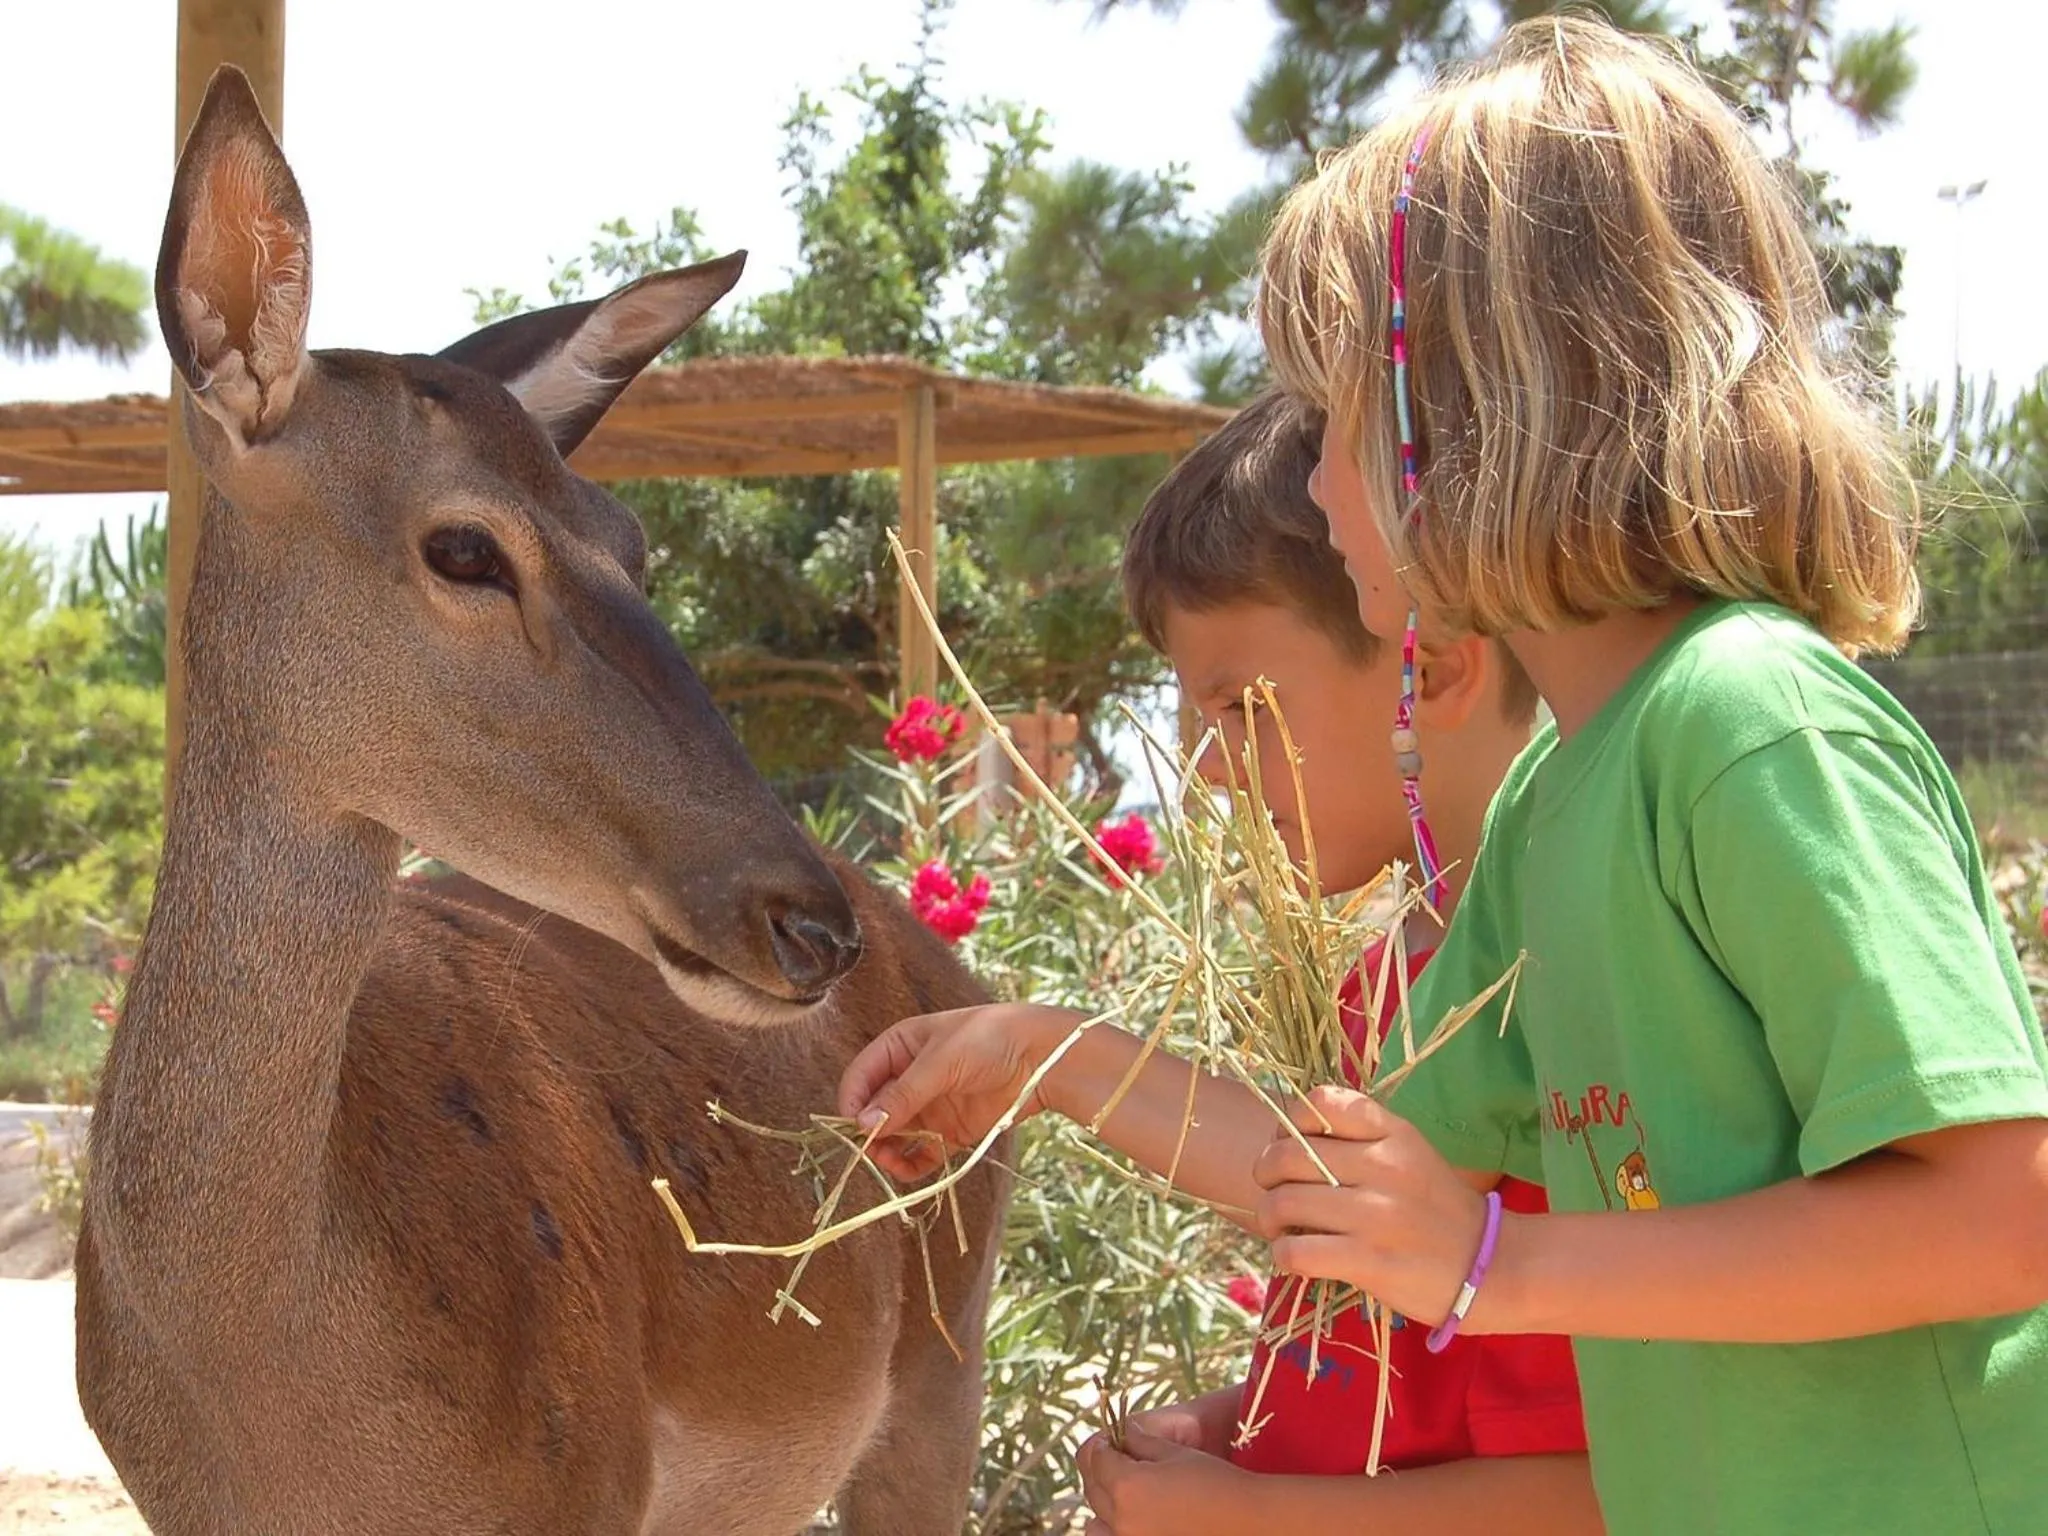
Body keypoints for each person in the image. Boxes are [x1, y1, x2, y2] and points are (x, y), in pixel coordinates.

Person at [1239, 15, 2048, 1535]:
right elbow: (1351, 1161)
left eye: (1329, 417)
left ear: (1474, 404)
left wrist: (1502, 1268)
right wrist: (1026, 1058)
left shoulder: (1747, 724)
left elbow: (2003, 1213)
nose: (1311, 483)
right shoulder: (1565, 793)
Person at [839, 391, 1601, 1533]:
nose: (1206, 775)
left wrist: (1261, 1519)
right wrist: (1247, 1430)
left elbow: (1597, 1495)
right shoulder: (1406, 967)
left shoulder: (1561, 994)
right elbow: (1363, 1308)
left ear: (1429, 668)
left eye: (1241, 708)